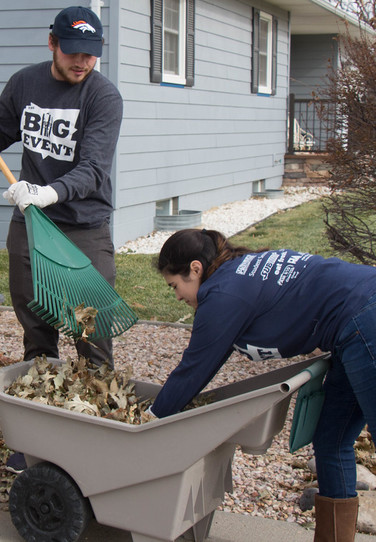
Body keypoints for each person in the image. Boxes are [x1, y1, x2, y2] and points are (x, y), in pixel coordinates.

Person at [0, 6, 123, 472]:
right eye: (74, 52)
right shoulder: (24, 83)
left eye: (91, 55)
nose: (83, 62)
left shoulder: (104, 97)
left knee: (91, 331)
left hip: (83, 226)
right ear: (52, 44)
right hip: (29, 226)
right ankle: (37, 441)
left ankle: (99, 437)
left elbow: (95, 168)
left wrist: (48, 192)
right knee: (37, 331)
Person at [152, 228, 376, 542]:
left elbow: (192, 371)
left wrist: (148, 421)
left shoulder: (222, 296)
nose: (177, 296)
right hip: (350, 327)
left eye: (175, 286)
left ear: (195, 269)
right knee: (331, 441)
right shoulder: (236, 273)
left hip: (365, 317)